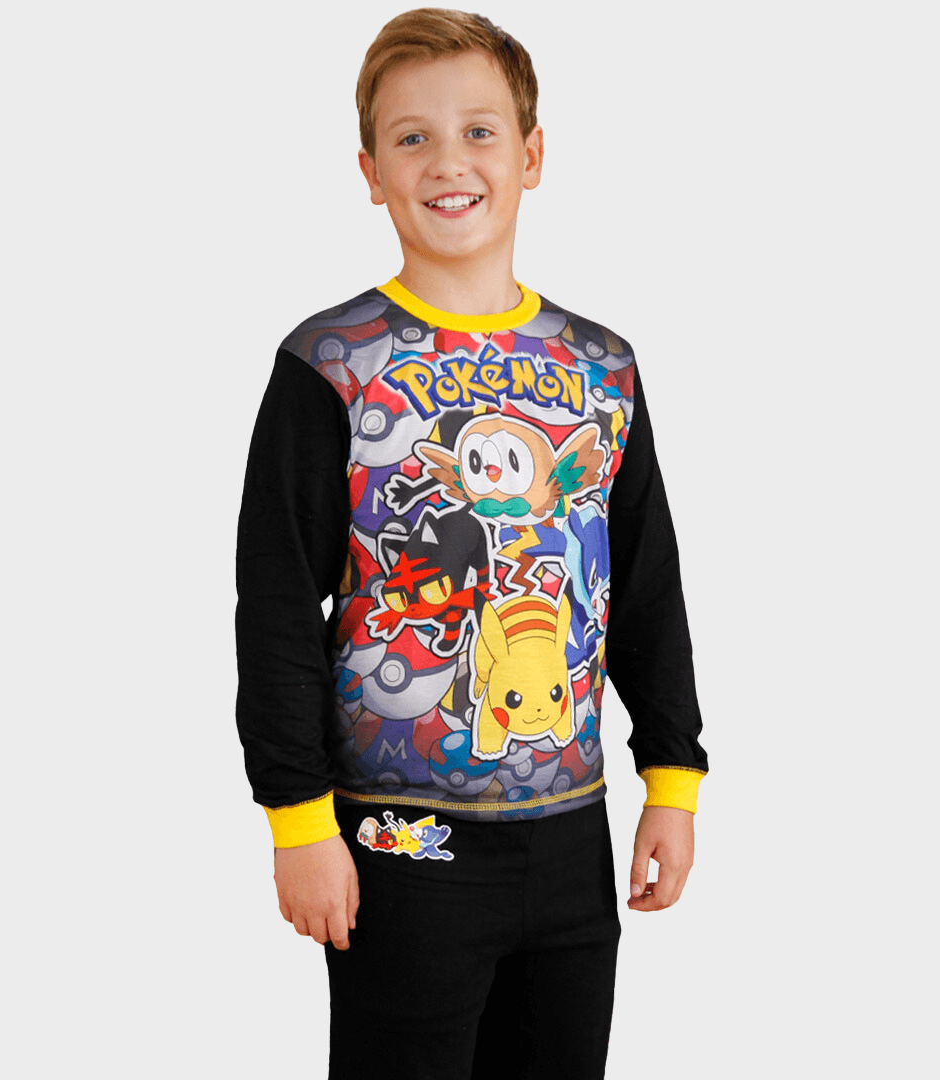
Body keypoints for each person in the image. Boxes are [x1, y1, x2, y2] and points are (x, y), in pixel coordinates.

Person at [234, 9, 708, 1078]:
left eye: (480, 132)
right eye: (413, 137)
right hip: (399, 843)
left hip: (572, 834)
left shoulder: (602, 366)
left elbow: (646, 588)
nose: (449, 162)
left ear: (532, 155)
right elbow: (275, 608)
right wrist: (297, 820)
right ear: (371, 172)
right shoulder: (330, 364)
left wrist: (672, 776)